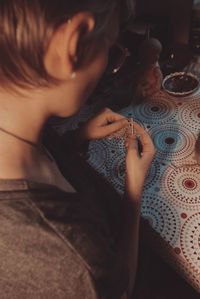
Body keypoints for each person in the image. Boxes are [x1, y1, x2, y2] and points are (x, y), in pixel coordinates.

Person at [0, 1, 155, 298]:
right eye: (109, 49)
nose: (108, 64)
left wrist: (75, 138)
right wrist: (133, 193)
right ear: (71, 43)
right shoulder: (70, 260)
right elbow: (121, 287)